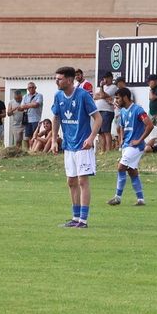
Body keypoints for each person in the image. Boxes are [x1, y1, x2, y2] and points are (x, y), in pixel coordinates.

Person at [51, 63, 101, 228]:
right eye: (56, 78)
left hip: (82, 145)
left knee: (82, 181)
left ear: (70, 80)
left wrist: (91, 138)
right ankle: (75, 217)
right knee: (71, 181)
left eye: (59, 79)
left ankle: (84, 221)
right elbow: (56, 118)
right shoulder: (58, 97)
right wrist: (53, 140)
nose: (56, 82)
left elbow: (98, 119)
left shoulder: (83, 96)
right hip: (68, 145)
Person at [108, 86, 156, 207]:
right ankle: (141, 199)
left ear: (125, 97)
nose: (116, 101)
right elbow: (122, 128)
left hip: (136, 146)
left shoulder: (138, 110)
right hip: (127, 145)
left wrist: (140, 140)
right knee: (131, 171)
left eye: (118, 98)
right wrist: (121, 141)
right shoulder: (123, 111)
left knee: (120, 167)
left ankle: (117, 197)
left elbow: (149, 125)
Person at [94, 71, 118, 152]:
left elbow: (102, 95)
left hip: (107, 111)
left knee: (106, 131)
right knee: (100, 132)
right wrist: (102, 94)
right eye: (104, 78)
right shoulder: (103, 88)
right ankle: (102, 150)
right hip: (98, 111)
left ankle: (108, 150)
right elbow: (95, 96)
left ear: (111, 78)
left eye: (106, 78)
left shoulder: (113, 87)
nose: (105, 80)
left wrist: (101, 90)